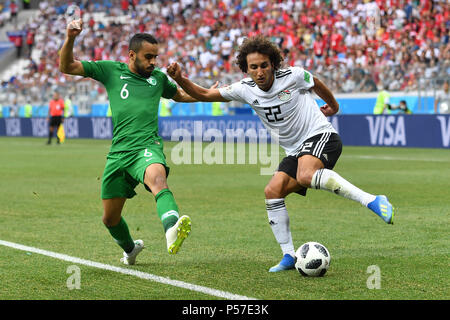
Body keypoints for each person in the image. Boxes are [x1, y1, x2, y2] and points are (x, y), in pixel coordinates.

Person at [167, 35, 394, 272]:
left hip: (321, 136)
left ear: (273, 64)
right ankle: (288, 256)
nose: (260, 71)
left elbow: (315, 82)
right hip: (295, 150)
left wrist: (334, 106)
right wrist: (179, 78)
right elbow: (204, 94)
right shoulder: (244, 89)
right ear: (246, 69)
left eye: (264, 65)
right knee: (272, 191)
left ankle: (372, 200)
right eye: (253, 67)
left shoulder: (293, 76)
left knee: (306, 175)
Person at [59, 19, 198, 265]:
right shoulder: (111, 70)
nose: (153, 62)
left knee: (157, 179)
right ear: (132, 55)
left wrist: (210, 94)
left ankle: (171, 227)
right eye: (148, 57)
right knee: (109, 219)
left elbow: (181, 95)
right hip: (117, 154)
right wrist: (70, 38)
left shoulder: (158, 78)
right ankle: (130, 249)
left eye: (155, 56)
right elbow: (67, 66)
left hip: (146, 147)